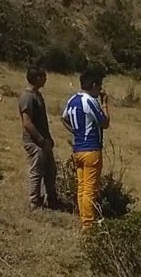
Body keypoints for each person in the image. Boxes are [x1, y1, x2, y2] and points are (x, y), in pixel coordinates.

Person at [61, 68, 110, 230]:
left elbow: (64, 118)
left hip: (78, 149)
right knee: (90, 189)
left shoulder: (73, 99)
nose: (101, 89)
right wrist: (104, 105)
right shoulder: (90, 101)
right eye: (100, 86)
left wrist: (77, 131)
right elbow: (105, 123)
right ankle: (88, 224)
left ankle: (83, 217)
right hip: (91, 149)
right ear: (94, 85)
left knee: (82, 187)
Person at [18, 66, 58, 210]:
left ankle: (52, 198)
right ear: (37, 78)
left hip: (43, 141)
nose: (46, 79)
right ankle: (34, 202)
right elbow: (27, 122)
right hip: (34, 142)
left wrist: (48, 138)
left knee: (50, 170)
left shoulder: (38, 95)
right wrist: (40, 140)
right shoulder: (27, 97)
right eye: (43, 77)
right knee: (37, 172)